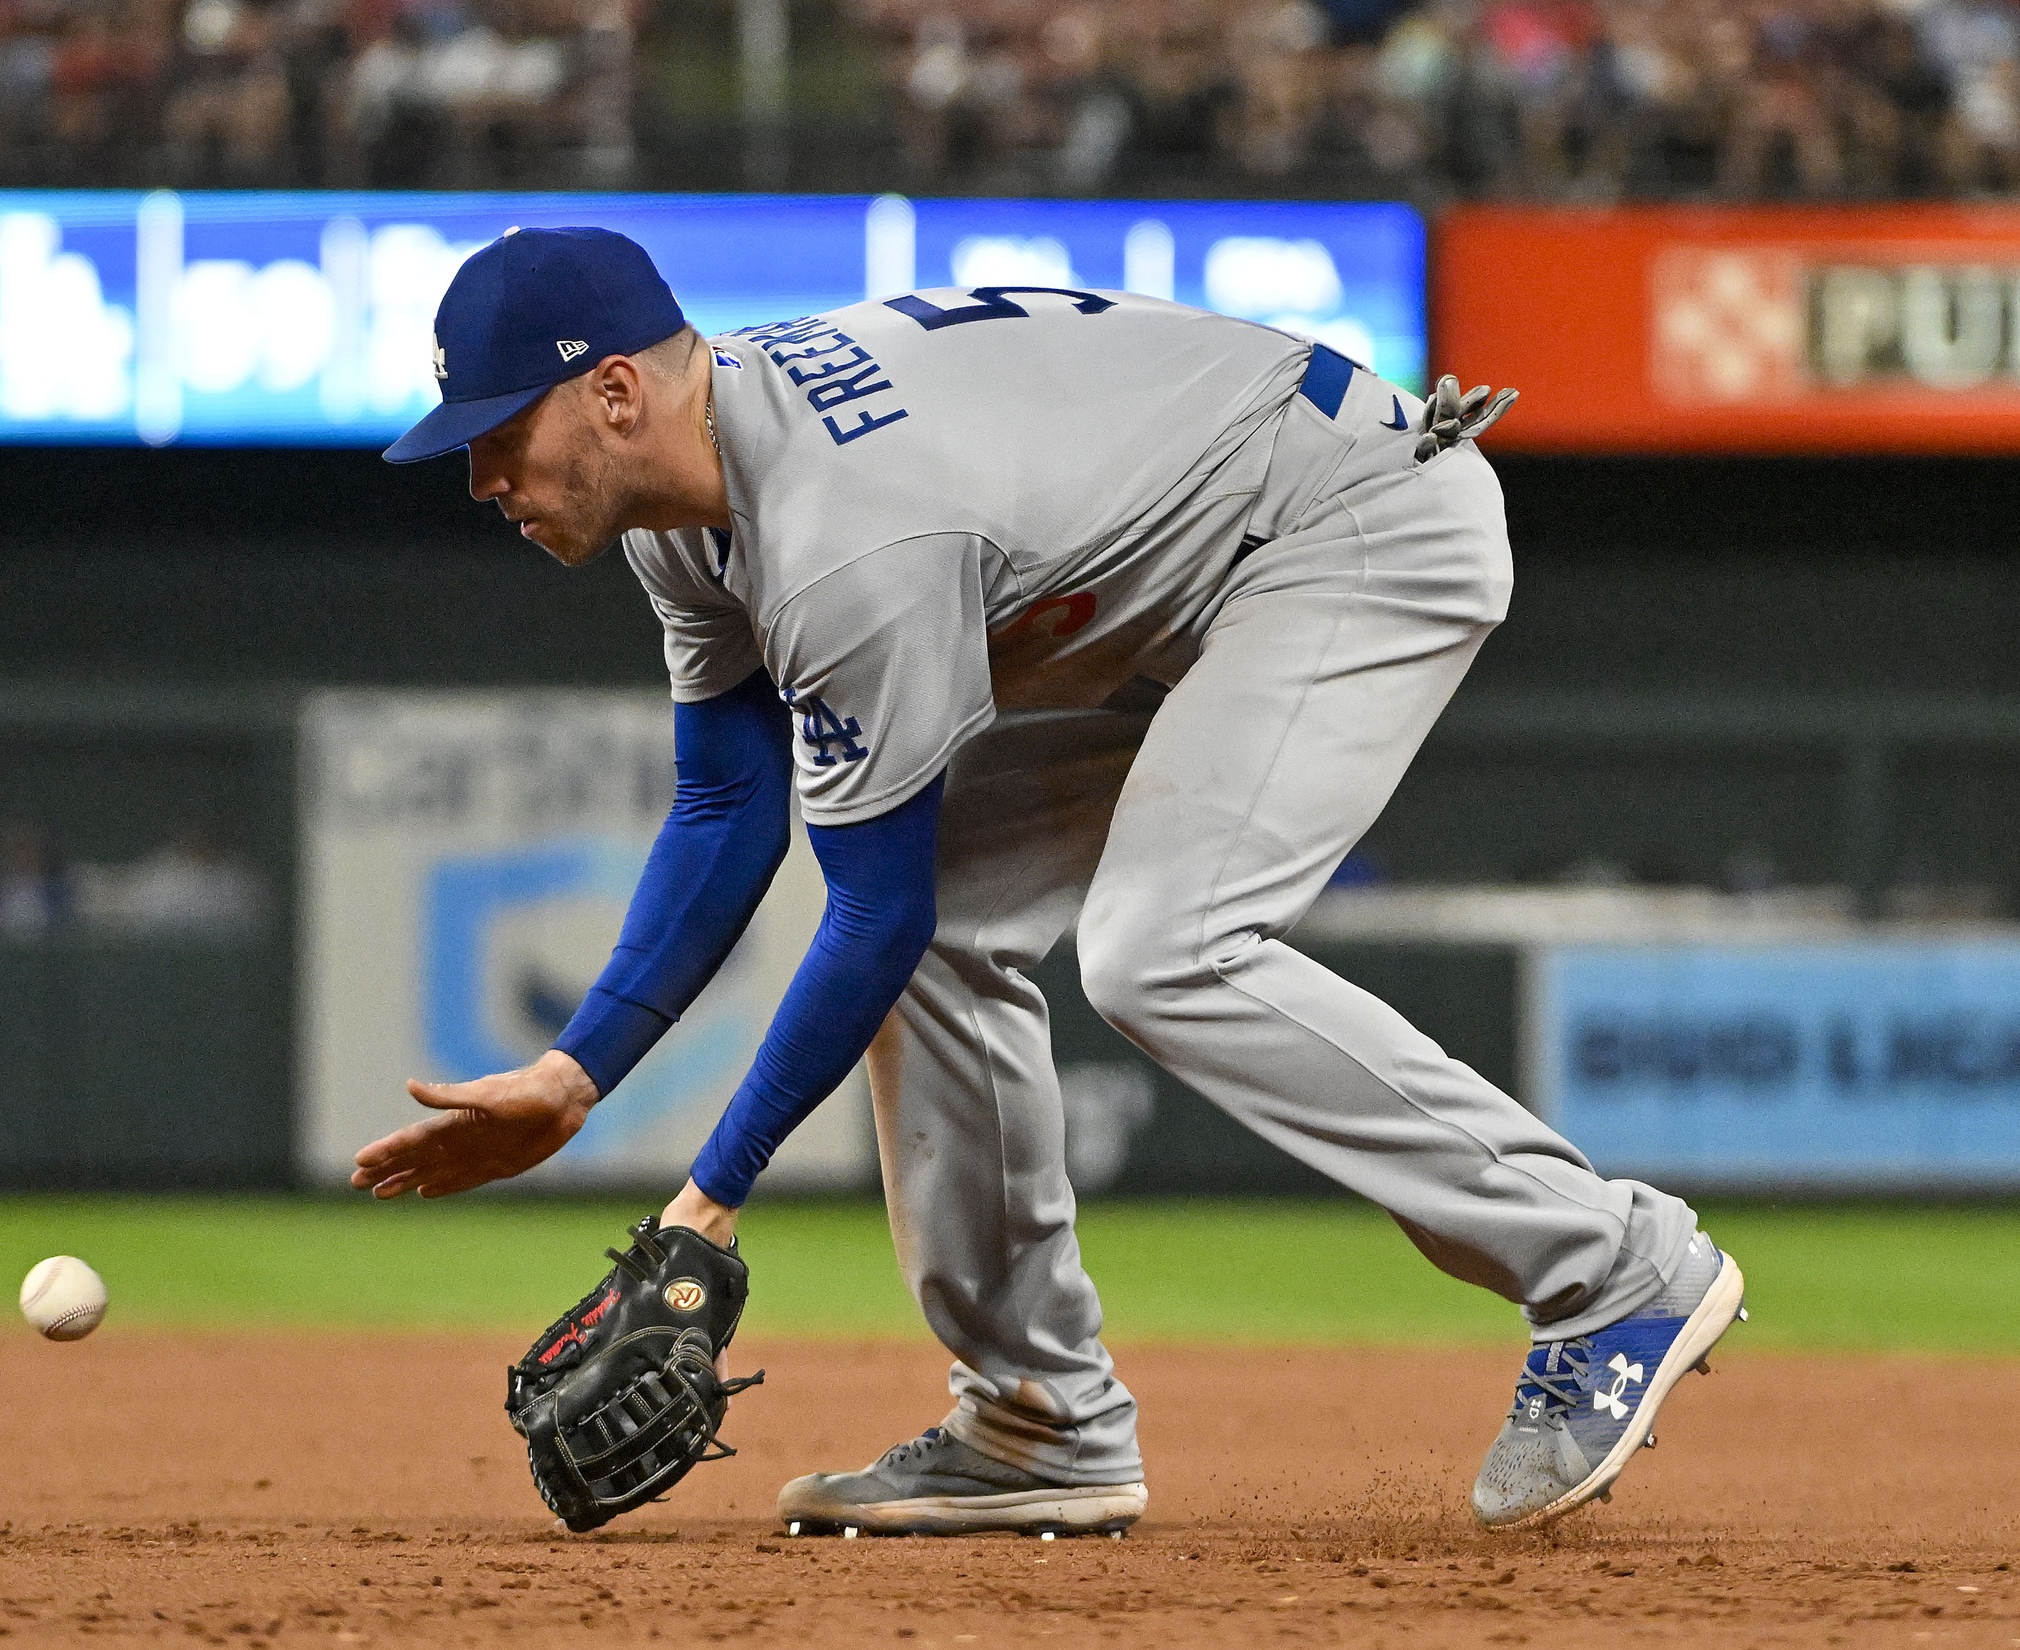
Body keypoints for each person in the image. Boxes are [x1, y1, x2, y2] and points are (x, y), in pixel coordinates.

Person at [354, 225, 1746, 1537]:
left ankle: (1606, 1264)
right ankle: (1038, 1421)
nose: (482, 482)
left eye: (495, 437)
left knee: (1162, 949)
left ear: (609, 394)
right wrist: (577, 1068)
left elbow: (867, 907)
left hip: (1345, 524)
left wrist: (704, 1200)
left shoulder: (851, 537)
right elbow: (729, 801)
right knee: (956, 925)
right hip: (1159, 590)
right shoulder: (690, 508)